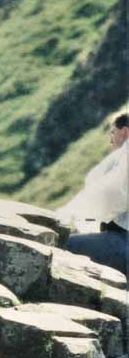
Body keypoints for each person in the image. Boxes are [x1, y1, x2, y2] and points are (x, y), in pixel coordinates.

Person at [58, 113, 129, 276]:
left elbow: (115, 198)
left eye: (113, 132)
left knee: (60, 245)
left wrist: (70, 216)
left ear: (125, 132)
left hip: (123, 243)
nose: (111, 140)